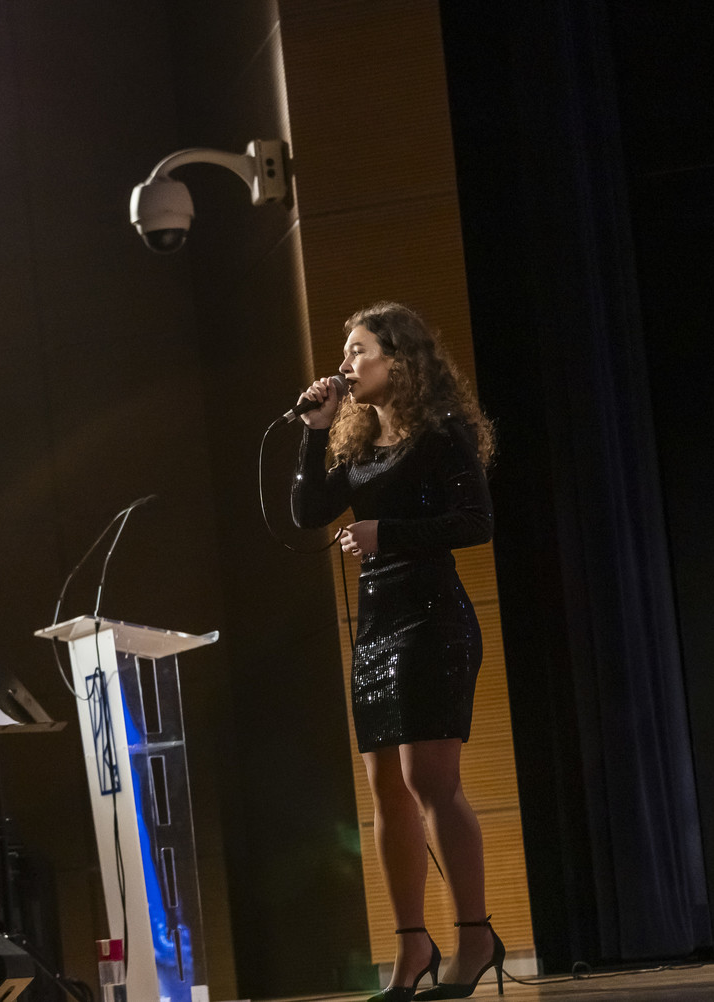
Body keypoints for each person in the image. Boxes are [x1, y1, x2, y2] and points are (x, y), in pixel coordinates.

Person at [291, 302, 505, 1002]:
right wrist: (314, 434)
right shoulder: (359, 443)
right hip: (377, 625)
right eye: (346, 353)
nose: (345, 365)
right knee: (386, 790)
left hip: (432, 617)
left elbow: (476, 522)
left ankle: (475, 936)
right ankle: (413, 945)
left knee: (429, 782)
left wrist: (388, 534)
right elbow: (308, 512)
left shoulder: (442, 433)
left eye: (358, 351)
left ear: (399, 357)